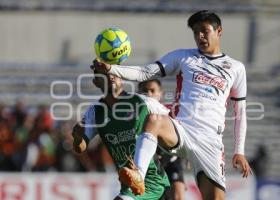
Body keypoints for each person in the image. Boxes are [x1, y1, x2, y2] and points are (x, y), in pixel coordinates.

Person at [91, 10, 252, 200]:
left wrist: (239, 151)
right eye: (195, 32)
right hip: (181, 130)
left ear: (219, 31)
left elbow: (240, 112)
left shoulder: (236, 68)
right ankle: (138, 176)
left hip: (210, 142)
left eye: (204, 30)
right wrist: (111, 68)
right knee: (154, 120)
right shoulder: (183, 57)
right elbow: (145, 73)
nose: (200, 36)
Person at [72, 69, 170, 200]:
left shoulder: (142, 101)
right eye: (105, 75)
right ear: (96, 82)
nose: (111, 77)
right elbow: (80, 147)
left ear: (121, 78)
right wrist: (78, 137)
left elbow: (173, 125)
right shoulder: (95, 112)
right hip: (129, 184)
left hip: (154, 183)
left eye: (114, 74)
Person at [138, 79, 185, 200]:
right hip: (149, 164)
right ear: (138, 92)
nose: (149, 94)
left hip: (170, 158)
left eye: (152, 90)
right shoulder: (134, 115)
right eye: (144, 90)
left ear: (160, 93)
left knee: (178, 194)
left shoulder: (170, 112)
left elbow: (185, 132)